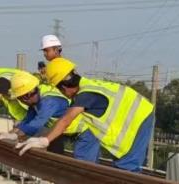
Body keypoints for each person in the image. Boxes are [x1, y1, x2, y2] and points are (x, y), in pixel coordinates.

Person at [19, 58, 156, 173]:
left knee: (127, 166)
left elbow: (66, 119)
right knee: (122, 162)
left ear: (63, 88)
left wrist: (44, 140)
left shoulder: (86, 95)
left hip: (141, 117)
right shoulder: (86, 87)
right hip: (137, 116)